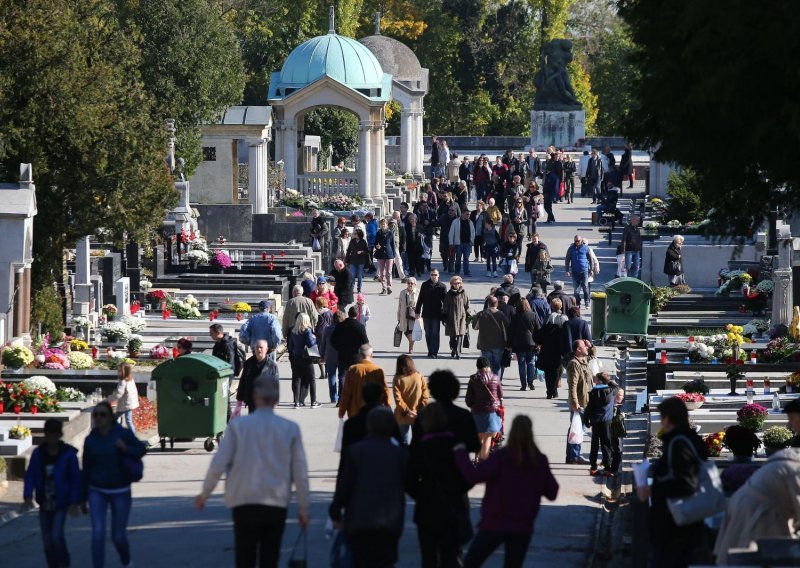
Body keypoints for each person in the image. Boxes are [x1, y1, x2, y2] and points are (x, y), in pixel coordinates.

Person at [196, 376, 310, 568]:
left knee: (245, 555)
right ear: (277, 399)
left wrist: (204, 494)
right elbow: (300, 471)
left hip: (243, 500)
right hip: (275, 501)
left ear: (255, 396)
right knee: (270, 556)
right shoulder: (290, 428)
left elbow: (219, 463)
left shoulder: (238, 426)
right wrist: (303, 508)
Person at [454, 415, 559, 568]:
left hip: (494, 522)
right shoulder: (539, 460)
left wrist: (460, 452)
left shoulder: (501, 457)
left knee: (472, 561)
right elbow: (552, 492)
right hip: (522, 526)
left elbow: (473, 475)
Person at [330, 407, 408, 568]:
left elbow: (345, 485)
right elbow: (410, 485)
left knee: (361, 560)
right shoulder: (400, 454)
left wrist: (336, 510)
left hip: (360, 520)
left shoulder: (355, 451)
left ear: (368, 426)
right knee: (386, 561)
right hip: (390, 521)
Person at [637, 397, 709, 568]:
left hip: (674, 526)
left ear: (668, 419)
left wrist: (653, 489)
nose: (661, 423)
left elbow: (686, 482)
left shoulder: (679, 444)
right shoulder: (691, 440)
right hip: (688, 521)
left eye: (662, 418)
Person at [406, 402, 473, 568]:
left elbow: (408, 479)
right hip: (453, 506)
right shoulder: (456, 445)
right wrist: (458, 491)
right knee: (450, 556)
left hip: (427, 506)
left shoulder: (421, 446)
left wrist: (420, 493)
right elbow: (469, 476)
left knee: (428, 557)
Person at [82, 400, 147, 568]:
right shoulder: (91, 439)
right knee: (97, 534)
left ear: (111, 417)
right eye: (95, 415)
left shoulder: (122, 434)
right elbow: (86, 468)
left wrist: (126, 448)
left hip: (120, 490)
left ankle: (126, 562)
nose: (99, 418)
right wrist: (81, 497)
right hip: (97, 490)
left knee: (118, 536)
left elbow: (141, 449)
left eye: (103, 414)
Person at [714, 448, 800, 564]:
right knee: (749, 558)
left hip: (752, 510)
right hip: (758, 515)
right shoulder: (795, 467)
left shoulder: (791, 460)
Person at [22, 418, 81, 568]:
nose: (52, 439)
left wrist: (74, 502)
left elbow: (75, 479)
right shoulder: (38, 454)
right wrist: (28, 496)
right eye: (49, 436)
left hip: (61, 502)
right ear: (45, 435)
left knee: (56, 535)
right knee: (47, 540)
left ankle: (64, 563)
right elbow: (30, 475)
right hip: (44, 502)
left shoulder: (68, 454)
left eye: (55, 436)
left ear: (59, 435)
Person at [465, 357, 504, 462]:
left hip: (477, 412)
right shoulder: (495, 378)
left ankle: (477, 458)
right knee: (487, 437)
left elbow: (468, 399)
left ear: (477, 367)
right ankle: (483, 463)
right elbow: (500, 395)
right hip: (491, 413)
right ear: (488, 366)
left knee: (479, 437)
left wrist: (473, 405)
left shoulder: (473, 379)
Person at [338, 344, 390, 419]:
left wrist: (341, 412)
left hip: (355, 412)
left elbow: (346, 392)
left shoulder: (353, 369)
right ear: (371, 355)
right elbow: (385, 391)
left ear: (359, 355)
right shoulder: (378, 370)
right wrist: (388, 407)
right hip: (374, 412)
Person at [585, 372, 619, 476]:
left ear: (599, 380)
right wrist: (607, 380)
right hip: (607, 421)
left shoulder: (593, 393)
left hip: (596, 421)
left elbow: (589, 408)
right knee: (606, 444)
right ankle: (608, 468)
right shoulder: (612, 391)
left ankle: (593, 467)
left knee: (594, 444)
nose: (594, 380)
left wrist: (586, 420)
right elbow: (616, 386)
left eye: (596, 379)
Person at [566, 339, 592, 464]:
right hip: (579, 402)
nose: (586, 348)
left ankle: (572, 456)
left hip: (585, 401)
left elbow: (591, 354)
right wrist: (575, 402)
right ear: (578, 350)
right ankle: (574, 456)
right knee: (577, 429)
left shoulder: (583, 361)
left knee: (577, 428)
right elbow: (572, 385)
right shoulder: (574, 364)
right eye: (584, 346)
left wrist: (589, 345)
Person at [236, 339, 280, 415]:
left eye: (261, 347)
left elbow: (275, 384)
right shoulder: (248, 363)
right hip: (252, 399)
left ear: (266, 349)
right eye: (257, 347)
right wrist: (239, 400)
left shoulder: (272, 366)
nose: (259, 349)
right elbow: (243, 381)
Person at [392, 354, 428, 445]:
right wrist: (421, 407)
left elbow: (398, 399)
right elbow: (425, 393)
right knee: (418, 441)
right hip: (417, 413)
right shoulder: (418, 376)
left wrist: (407, 411)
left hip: (403, 415)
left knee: (404, 441)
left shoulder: (398, 379)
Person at [536, 298, 567, 399]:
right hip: (558, 350)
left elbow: (540, 336)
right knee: (556, 371)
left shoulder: (547, 320)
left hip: (547, 350)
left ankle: (549, 391)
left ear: (551, 306)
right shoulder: (563, 320)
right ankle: (554, 390)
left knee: (548, 372)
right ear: (561, 306)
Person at [472, 295, 509, 378]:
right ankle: (496, 383)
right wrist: (507, 343)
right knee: (497, 365)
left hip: (485, 344)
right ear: (497, 304)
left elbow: (475, 327)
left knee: (487, 366)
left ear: (488, 304)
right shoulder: (501, 314)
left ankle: (488, 382)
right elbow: (505, 330)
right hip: (498, 344)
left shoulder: (481, 314)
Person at [330, 306, 369, 380]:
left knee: (342, 377)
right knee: (356, 378)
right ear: (357, 315)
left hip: (342, 355)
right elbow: (365, 342)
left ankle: (342, 391)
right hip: (356, 357)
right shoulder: (360, 327)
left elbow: (333, 340)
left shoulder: (340, 325)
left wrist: (339, 348)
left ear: (348, 313)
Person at [415, 269, 446, 358]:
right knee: (428, 333)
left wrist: (445, 314)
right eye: (432, 274)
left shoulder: (442, 286)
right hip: (426, 313)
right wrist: (417, 311)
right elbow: (420, 299)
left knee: (435, 333)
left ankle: (434, 352)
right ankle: (430, 350)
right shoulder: (425, 285)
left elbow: (445, 302)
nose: (434, 276)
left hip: (437, 314)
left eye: (435, 275)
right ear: (430, 275)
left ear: (438, 275)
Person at [510, 299, 540, 392]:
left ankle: (523, 384)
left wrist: (510, 343)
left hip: (519, 343)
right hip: (531, 342)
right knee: (531, 363)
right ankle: (530, 382)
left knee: (521, 364)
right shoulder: (533, 315)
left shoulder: (515, 316)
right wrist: (538, 342)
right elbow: (538, 329)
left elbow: (511, 331)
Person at [320, 310, 346, 404]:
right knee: (342, 376)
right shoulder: (345, 329)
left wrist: (322, 355)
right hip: (342, 355)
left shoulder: (327, 329)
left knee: (331, 376)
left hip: (330, 356)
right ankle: (341, 396)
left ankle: (333, 397)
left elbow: (323, 343)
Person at [107, 363, 139, 434]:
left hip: (126, 404)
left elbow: (118, 394)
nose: (118, 372)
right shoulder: (130, 379)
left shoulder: (123, 381)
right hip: (129, 403)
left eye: (119, 370)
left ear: (123, 372)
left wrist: (109, 399)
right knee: (120, 418)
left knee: (128, 420)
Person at [443, 275, 470, 359]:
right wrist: (444, 317)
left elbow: (467, 305)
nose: (457, 285)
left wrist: (468, 316)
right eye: (455, 283)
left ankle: (458, 352)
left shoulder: (463, 292)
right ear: (452, 284)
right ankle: (453, 349)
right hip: (451, 317)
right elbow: (445, 306)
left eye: (458, 283)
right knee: (452, 336)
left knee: (460, 335)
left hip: (462, 317)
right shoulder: (448, 294)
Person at [565, 234, 591, 308]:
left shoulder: (586, 248)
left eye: (578, 241)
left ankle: (587, 301)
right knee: (576, 290)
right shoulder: (571, 249)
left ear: (581, 241)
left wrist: (591, 269)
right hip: (575, 271)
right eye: (575, 241)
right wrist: (567, 270)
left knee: (585, 287)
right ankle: (577, 302)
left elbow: (591, 259)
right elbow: (567, 260)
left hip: (584, 271)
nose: (577, 242)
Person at [449, 208, 475, 277]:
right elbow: (451, 233)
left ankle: (466, 271)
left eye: (469, 214)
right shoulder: (455, 221)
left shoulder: (470, 222)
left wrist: (472, 241)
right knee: (458, 258)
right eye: (467, 214)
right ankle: (457, 272)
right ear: (462, 214)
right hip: (458, 243)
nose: (468, 216)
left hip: (467, 244)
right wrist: (451, 242)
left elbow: (473, 233)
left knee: (466, 258)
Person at [397, 277, 419, 354]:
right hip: (404, 315)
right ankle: (411, 345)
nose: (410, 285)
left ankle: (411, 348)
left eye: (411, 283)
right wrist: (398, 317)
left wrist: (419, 314)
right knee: (406, 332)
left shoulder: (418, 292)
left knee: (413, 333)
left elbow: (421, 305)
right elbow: (399, 305)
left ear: (415, 284)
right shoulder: (402, 292)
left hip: (414, 316)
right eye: (408, 283)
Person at [374, 218, 396, 295]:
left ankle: (389, 287)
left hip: (389, 254)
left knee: (388, 272)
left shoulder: (390, 233)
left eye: (384, 224)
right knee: (382, 272)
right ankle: (384, 287)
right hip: (380, 254)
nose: (383, 225)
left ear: (387, 225)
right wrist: (377, 246)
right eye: (381, 224)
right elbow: (375, 243)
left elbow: (393, 245)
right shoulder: (378, 233)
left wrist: (394, 257)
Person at [346, 228, 370, 293]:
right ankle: (352, 288)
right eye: (354, 234)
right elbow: (348, 250)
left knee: (359, 276)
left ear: (359, 234)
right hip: (353, 260)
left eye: (355, 234)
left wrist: (362, 252)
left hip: (361, 261)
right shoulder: (352, 241)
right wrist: (347, 260)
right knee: (352, 275)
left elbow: (367, 251)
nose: (354, 235)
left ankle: (359, 288)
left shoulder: (363, 241)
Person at [621, 215, 642, 279]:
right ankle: (628, 279)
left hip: (636, 250)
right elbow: (624, 239)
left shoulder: (637, 229)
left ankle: (634, 279)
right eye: (637, 220)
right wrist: (623, 250)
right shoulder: (627, 228)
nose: (638, 222)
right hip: (628, 250)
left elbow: (639, 239)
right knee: (628, 267)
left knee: (637, 266)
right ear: (633, 220)